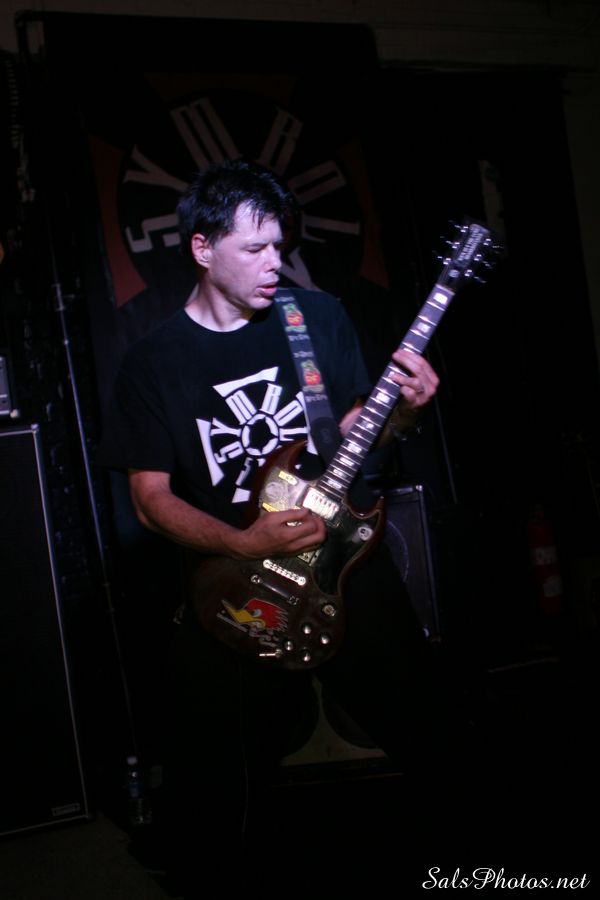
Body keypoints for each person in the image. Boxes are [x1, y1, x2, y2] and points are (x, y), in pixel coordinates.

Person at [97, 159, 453, 897]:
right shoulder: (150, 363)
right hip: (235, 576)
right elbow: (149, 499)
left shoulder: (313, 318)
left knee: (431, 730)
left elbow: (351, 434)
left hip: (342, 558)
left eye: (280, 247)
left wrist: (403, 413)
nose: (274, 264)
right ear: (202, 248)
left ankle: (482, 873)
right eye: (254, 248)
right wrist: (242, 542)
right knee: (219, 789)